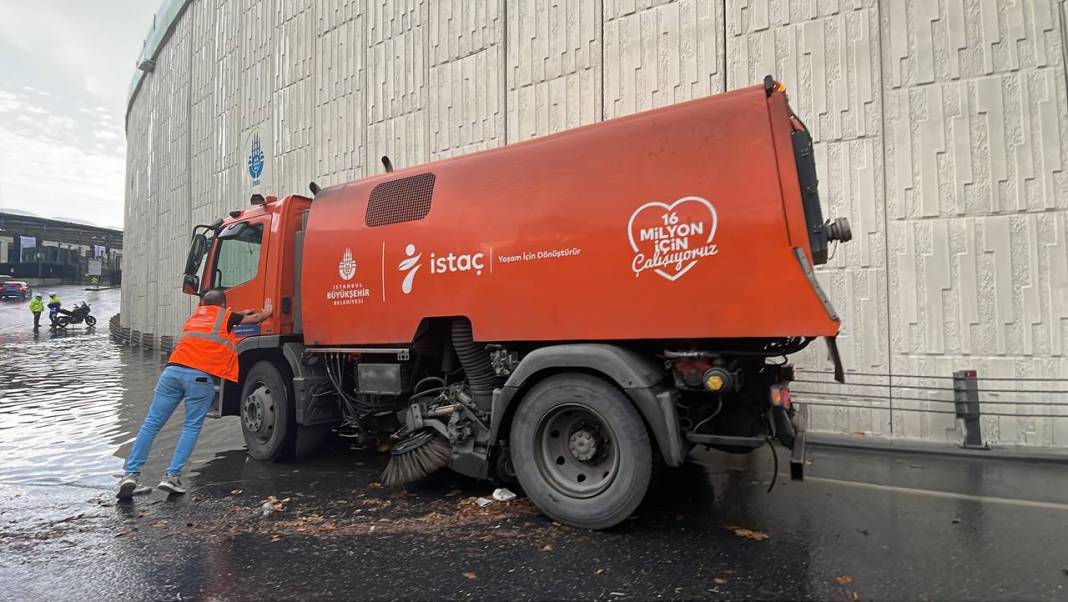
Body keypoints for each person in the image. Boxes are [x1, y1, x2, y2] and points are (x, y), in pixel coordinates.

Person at [117, 289, 272, 499]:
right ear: (223, 305)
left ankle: (131, 476)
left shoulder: (195, 318)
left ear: (204, 304)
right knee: (190, 427)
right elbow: (253, 319)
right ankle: (171, 477)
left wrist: (239, 313)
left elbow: (230, 318)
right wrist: (268, 311)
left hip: (171, 373)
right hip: (198, 378)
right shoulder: (226, 317)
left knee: (151, 424)